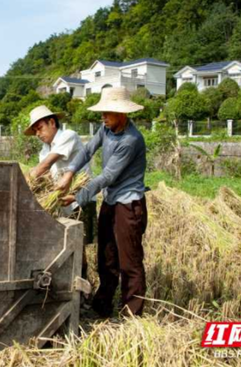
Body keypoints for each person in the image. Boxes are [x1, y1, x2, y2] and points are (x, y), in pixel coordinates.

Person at [57, 87, 148, 318]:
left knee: (130, 262)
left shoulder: (131, 139)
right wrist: (69, 172)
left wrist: (78, 197)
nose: (103, 116)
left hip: (129, 204)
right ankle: (103, 306)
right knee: (106, 256)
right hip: (111, 200)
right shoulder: (106, 129)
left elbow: (108, 176)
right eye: (103, 112)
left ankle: (131, 315)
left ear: (123, 114)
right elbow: (87, 150)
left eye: (108, 112)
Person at [24, 105, 97, 274]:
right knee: (68, 248)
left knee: (79, 250)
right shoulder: (44, 149)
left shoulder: (68, 136)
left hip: (79, 201)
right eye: (35, 131)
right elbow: (47, 175)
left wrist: (26, 182)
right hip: (62, 204)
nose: (38, 134)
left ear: (52, 122)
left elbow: (46, 165)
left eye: (40, 128)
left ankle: (83, 290)